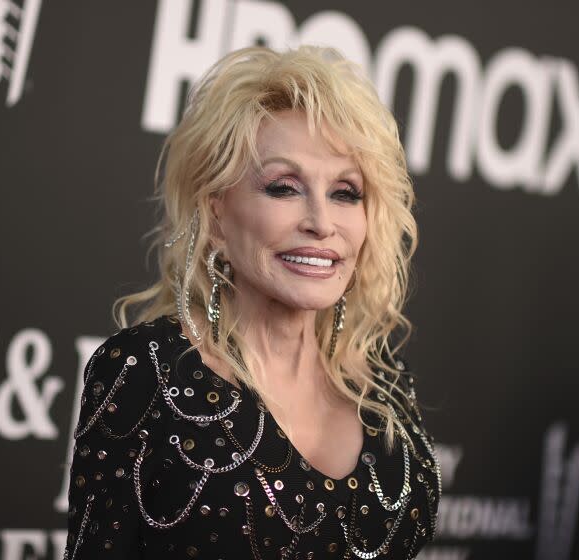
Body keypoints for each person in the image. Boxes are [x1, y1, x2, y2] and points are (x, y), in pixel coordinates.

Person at [62, 45, 441, 559]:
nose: (321, 223)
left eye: (346, 193)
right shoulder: (146, 373)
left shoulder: (385, 384)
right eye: (284, 188)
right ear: (216, 216)